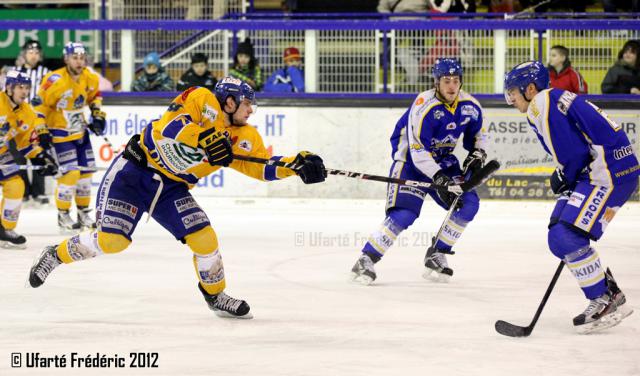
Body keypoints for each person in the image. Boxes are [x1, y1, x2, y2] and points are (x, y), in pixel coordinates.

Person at [28, 77, 327, 319]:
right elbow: (168, 126)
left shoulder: (244, 136)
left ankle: (215, 295)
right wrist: (203, 138)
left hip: (171, 189)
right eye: (248, 104)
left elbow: (261, 168)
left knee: (205, 239)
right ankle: (55, 254)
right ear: (231, 101)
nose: (251, 111)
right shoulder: (201, 98)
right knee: (112, 242)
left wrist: (296, 165)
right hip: (134, 173)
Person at [504, 60, 638, 334]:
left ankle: (604, 299)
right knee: (558, 233)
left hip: (608, 173)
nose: (511, 99)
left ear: (530, 88)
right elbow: (577, 147)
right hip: (601, 170)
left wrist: (566, 175)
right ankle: (606, 289)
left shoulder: (540, 103)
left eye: (513, 93)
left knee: (566, 236)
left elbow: (575, 155)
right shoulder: (551, 99)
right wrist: (567, 174)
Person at [350, 58, 487, 285]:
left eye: (455, 81)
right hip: (411, 163)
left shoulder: (470, 106)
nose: (451, 86)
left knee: (468, 204)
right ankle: (366, 258)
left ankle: (438, 252)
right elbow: (418, 151)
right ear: (436, 82)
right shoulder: (424, 105)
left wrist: (478, 154)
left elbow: (479, 135)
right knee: (405, 214)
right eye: (446, 81)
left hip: (443, 161)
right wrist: (440, 178)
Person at [32, 42, 106, 233]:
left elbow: (94, 96)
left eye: (82, 58)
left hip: (79, 131)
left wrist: (97, 114)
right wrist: (41, 130)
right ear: (66, 59)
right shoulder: (54, 79)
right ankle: (63, 215)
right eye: (75, 58)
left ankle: (83, 213)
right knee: (70, 173)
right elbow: (39, 106)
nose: (79, 62)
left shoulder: (89, 76)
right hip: (58, 131)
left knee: (86, 172)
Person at [0, 70, 58, 248]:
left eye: (27, 88)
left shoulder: (27, 112)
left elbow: (26, 144)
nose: (24, 92)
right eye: (20, 87)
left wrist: (42, 158)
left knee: (16, 184)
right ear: (9, 87)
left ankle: (5, 230)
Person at [10, 39, 52, 206]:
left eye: (36, 53)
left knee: (37, 154)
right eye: (30, 52)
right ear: (24, 54)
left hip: (37, 121)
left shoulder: (46, 72)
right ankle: (25, 192)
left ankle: (39, 192)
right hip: (17, 121)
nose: (33, 56)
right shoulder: (14, 71)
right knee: (18, 157)